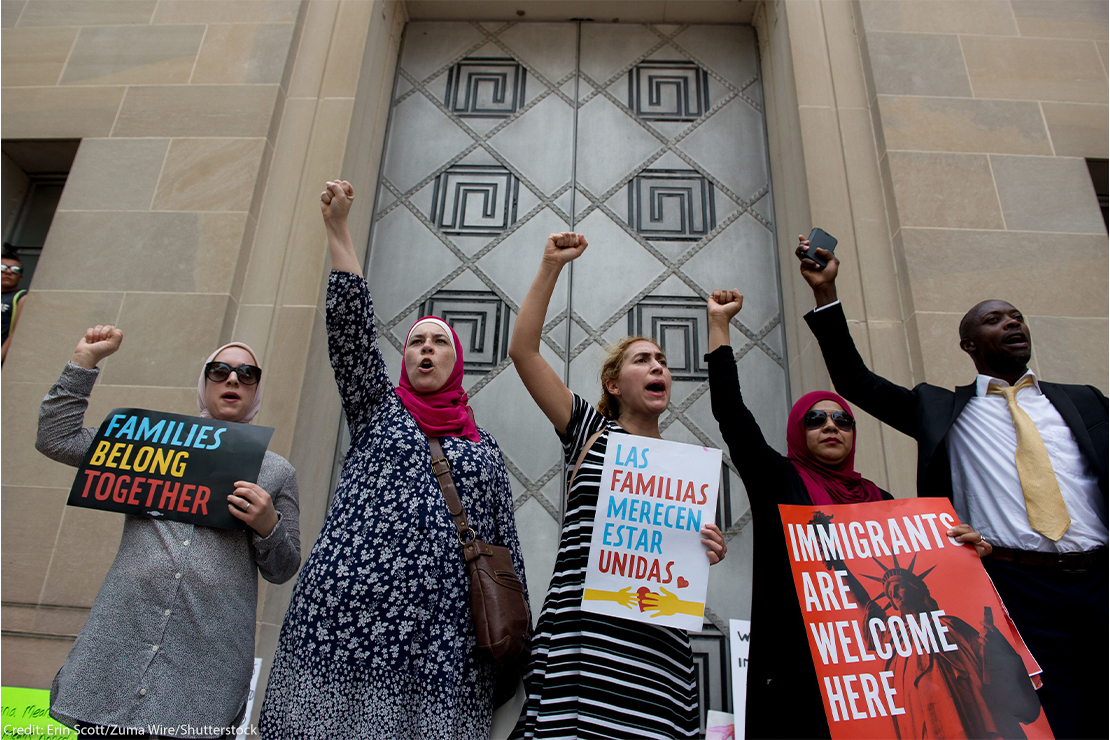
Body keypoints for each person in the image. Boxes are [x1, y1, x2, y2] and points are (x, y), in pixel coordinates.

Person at [797, 236, 1108, 739]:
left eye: (1016, 316)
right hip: (1016, 587)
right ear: (968, 344)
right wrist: (826, 292)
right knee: (1056, 719)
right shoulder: (940, 410)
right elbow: (854, 380)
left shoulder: (1086, 402)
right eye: (994, 319)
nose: (1011, 323)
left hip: (1101, 578)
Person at [258, 181, 527, 740]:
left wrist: (512, 646)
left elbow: (505, 548)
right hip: (346, 628)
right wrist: (339, 232)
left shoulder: (484, 449)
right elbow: (351, 336)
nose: (425, 348)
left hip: (442, 645)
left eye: (439, 342)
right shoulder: (380, 413)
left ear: (456, 362)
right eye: (414, 342)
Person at [508, 232, 727, 740]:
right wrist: (550, 266)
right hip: (584, 649)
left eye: (664, 363)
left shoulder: (685, 470)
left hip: (656, 661)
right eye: (643, 360)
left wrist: (705, 549)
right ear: (613, 383)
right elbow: (523, 351)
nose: (658, 367)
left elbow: (674, 569)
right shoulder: (589, 431)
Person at [36, 326, 301, 739]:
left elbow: (283, 569)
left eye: (247, 374)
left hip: (204, 668)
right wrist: (84, 363)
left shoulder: (277, 471)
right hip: (120, 650)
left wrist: (269, 527)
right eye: (219, 371)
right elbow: (56, 437)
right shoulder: (149, 446)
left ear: (256, 389)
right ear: (204, 383)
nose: (233, 380)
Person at [818, 531, 1042, 740]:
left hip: (968, 703)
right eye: (888, 592)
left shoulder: (952, 624)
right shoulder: (893, 631)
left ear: (917, 588)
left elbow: (989, 666)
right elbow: (863, 602)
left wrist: (990, 638)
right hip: (921, 707)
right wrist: (838, 563)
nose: (893, 593)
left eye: (899, 586)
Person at [2, 245, 28, 364]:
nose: (8, 272)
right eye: (2, 268)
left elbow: (16, 333)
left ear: (20, 277)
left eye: (15, 270)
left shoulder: (20, 297)